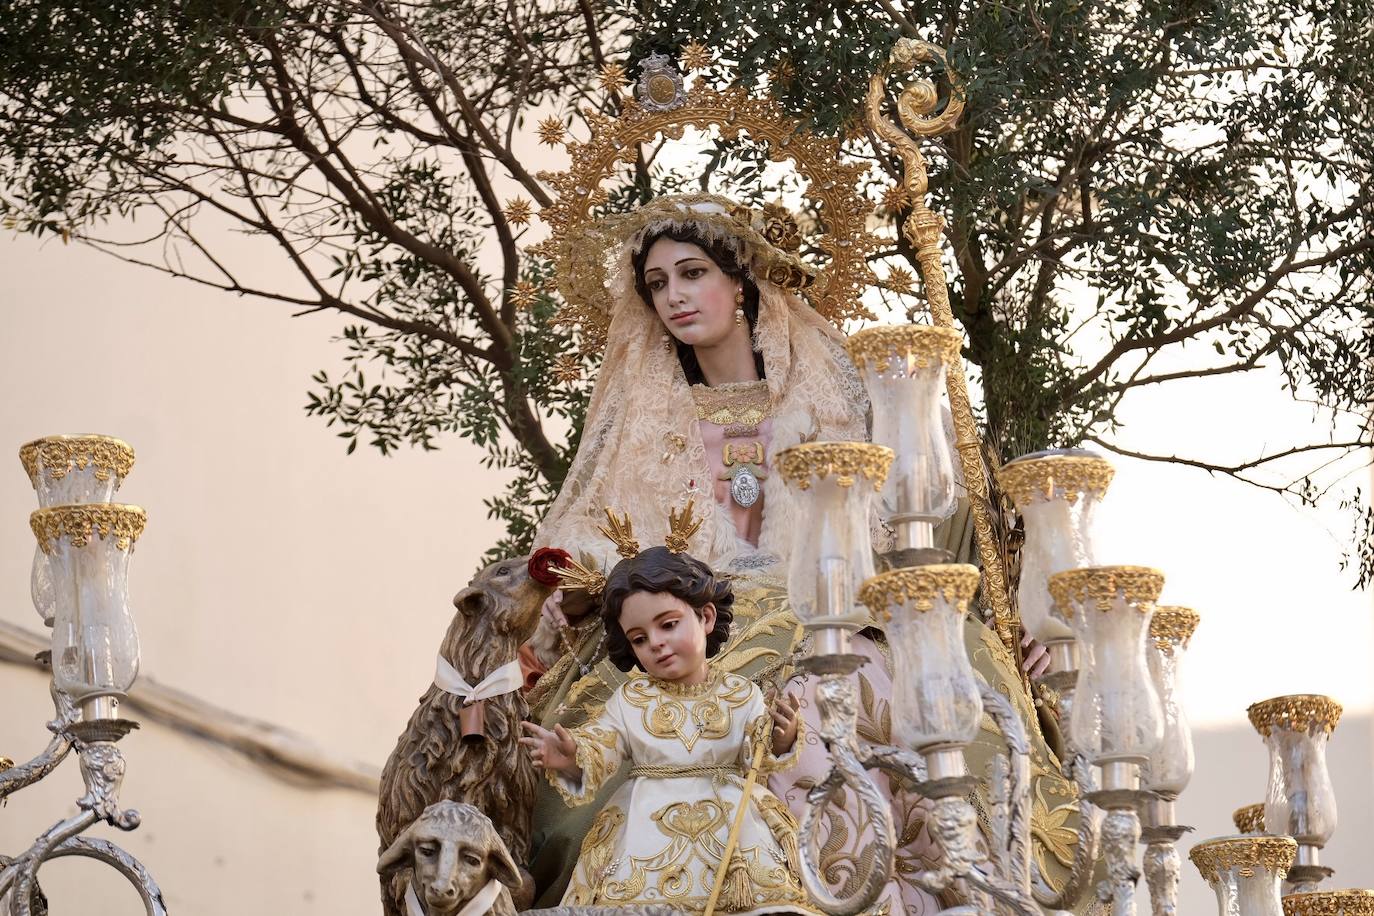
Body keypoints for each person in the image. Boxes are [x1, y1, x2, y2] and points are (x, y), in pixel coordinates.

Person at [522, 193, 1080, 913]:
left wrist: (1026, 615)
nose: (674, 297)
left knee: (910, 696)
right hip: (698, 634)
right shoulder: (644, 422)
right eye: (657, 284)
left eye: (693, 273)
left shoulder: (843, 400)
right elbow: (594, 542)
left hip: (840, 618)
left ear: (743, 281)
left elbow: (931, 512)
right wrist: (568, 595)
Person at [520, 546, 815, 914]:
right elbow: (602, 746)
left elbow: (757, 754)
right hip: (644, 829)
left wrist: (781, 736)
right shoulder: (631, 699)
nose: (656, 643)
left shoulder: (741, 693)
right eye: (639, 639)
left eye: (668, 624)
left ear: (706, 617)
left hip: (733, 830)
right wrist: (571, 758)